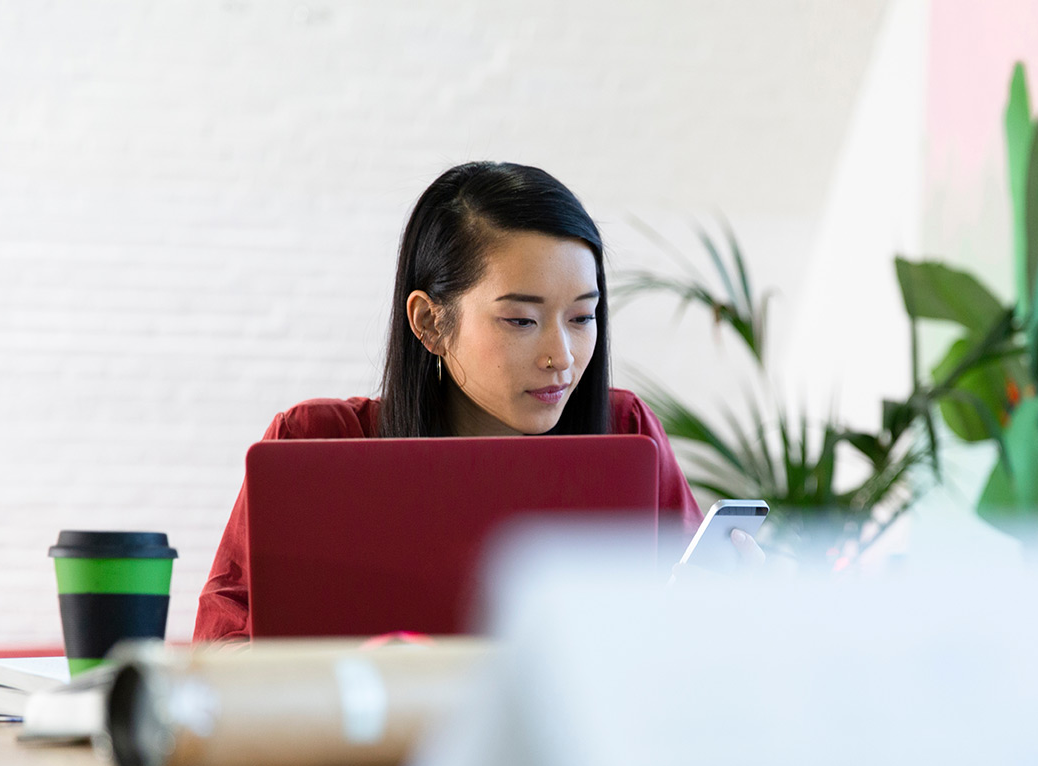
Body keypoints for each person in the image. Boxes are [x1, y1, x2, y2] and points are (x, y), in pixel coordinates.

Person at [195, 161, 750, 643]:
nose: (561, 355)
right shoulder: (317, 442)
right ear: (430, 322)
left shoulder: (624, 431)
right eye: (521, 320)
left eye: (583, 317)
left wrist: (727, 604)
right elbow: (220, 647)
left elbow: (687, 633)